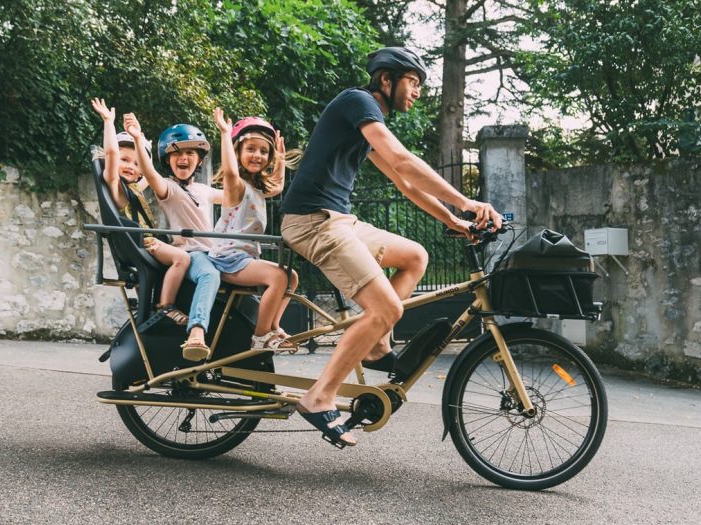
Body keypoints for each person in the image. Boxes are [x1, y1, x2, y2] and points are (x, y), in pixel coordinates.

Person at [280, 47, 503, 447]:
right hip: (311, 220)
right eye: (413, 82)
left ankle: (377, 344)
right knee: (386, 307)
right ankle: (318, 397)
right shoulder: (358, 101)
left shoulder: (368, 123)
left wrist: (454, 221)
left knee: (416, 256)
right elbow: (402, 161)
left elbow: (405, 183)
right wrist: (468, 202)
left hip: (338, 220)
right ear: (387, 79)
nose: (417, 92)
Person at [123, 113, 223, 362]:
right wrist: (137, 138)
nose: (184, 158)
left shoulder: (203, 190)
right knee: (209, 275)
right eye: (177, 153)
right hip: (192, 253)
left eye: (191, 153)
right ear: (167, 160)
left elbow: (236, 193)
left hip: (214, 253)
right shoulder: (169, 189)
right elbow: (149, 172)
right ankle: (197, 333)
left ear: (199, 160)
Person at [90, 98, 190, 327]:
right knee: (181, 258)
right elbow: (112, 156)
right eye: (125, 160)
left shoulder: (134, 187)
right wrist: (108, 122)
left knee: (190, 250)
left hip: (149, 240)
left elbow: (149, 171)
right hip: (143, 242)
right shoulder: (116, 188)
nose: (130, 167)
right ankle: (166, 307)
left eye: (135, 164)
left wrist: (138, 134)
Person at [210, 107, 300, 352]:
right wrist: (225, 135)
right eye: (250, 149)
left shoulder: (258, 188)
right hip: (227, 258)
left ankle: (272, 327)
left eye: (263, 151)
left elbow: (279, 186)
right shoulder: (236, 186)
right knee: (278, 277)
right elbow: (229, 170)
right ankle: (260, 337)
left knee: (291, 277)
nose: (257, 155)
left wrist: (279, 157)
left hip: (244, 258)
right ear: (238, 151)